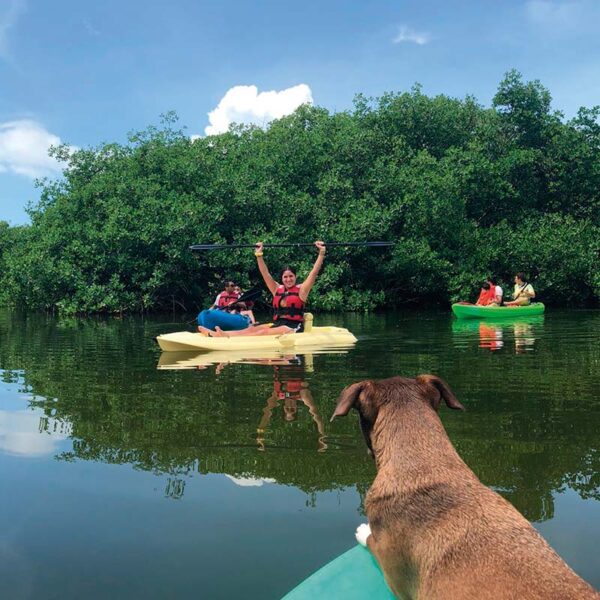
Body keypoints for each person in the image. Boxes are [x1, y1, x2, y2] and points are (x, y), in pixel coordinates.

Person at [198, 240, 326, 337]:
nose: (288, 279)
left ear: (295, 277)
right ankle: (222, 334)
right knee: (251, 329)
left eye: (291, 276)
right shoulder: (277, 289)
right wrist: (259, 255)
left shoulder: (302, 290)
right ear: (282, 278)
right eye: (285, 277)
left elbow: (314, 273)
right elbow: (265, 274)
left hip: (294, 326)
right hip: (278, 324)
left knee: (263, 331)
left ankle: (221, 336)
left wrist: (321, 253)